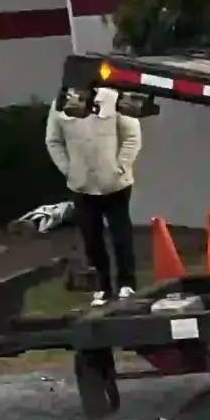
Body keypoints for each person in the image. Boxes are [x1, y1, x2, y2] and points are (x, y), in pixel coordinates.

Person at [44, 85, 143, 306]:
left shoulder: (113, 99)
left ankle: (127, 283)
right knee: (91, 237)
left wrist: (121, 166)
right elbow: (53, 140)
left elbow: (132, 136)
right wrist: (68, 169)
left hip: (115, 183)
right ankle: (102, 286)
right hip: (82, 184)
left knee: (120, 234)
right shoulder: (60, 105)